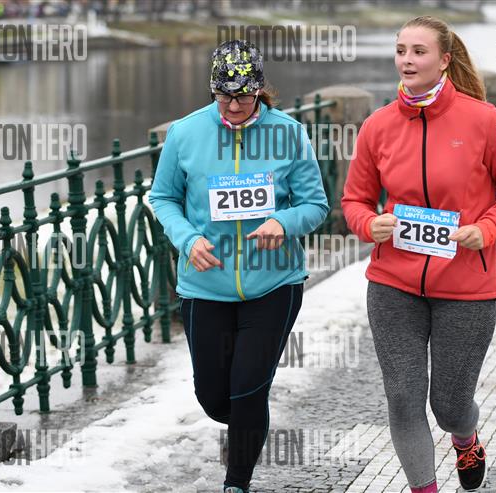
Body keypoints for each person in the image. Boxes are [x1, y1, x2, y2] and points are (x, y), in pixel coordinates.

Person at [341, 16, 496, 493]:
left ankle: (465, 437)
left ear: (444, 60)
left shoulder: (485, 120)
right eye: (401, 50)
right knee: (404, 399)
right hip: (393, 285)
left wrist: (487, 228)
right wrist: (368, 224)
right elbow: (354, 200)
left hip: (466, 287)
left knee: (448, 406)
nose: (406, 60)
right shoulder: (378, 125)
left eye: (419, 51)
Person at [149, 40, 329, 493]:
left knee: (249, 387)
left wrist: (283, 223)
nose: (232, 106)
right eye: (223, 96)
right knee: (213, 398)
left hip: (274, 284)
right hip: (204, 285)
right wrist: (188, 239)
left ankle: (237, 483)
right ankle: (245, 425)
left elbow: (315, 205)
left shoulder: (288, 133)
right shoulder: (185, 133)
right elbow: (163, 197)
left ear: (259, 90)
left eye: (243, 97)